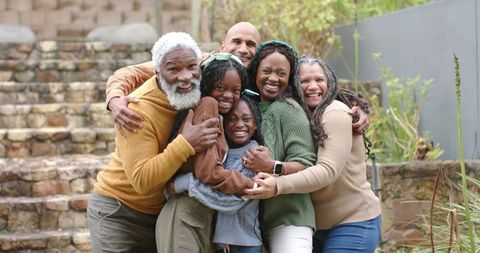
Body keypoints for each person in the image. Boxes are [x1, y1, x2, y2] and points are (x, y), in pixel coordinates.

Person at [87, 32, 221, 253]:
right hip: (119, 213)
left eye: (191, 67)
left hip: (161, 213)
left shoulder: (200, 67)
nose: (185, 76)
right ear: (157, 72)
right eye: (174, 70)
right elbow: (142, 180)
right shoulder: (138, 109)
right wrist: (186, 143)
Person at [244, 56, 382, 253]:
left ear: (330, 82)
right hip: (318, 227)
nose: (312, 86)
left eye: (319, 80)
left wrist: (277, 184)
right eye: (304, 81)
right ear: (293, 85)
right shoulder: (298, 114)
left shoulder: (335, 113)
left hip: (353, 223)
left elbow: (327, 171)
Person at [154, 53, 259, 253]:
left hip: (201, 214)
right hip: (184, 216)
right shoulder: (208, 104)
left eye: (235, 90)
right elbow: (209, 172)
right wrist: (251, 185)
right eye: (221, 88)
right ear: (207, 83)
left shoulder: (220, 116)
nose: (229, 95)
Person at [105, 21, 261, 137]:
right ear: (222, 46)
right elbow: (130, 73)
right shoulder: (197, 64)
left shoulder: (260, 77)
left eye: (250, 44)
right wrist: (114, 100)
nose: (243, 49)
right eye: (236, 41)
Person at [242, 40, 318, 253]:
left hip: (289, 218)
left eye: (281, 73)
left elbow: (307, 163)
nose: (273, 78)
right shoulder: (246, 107)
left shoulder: (288, 109)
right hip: (251, 222)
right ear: (256, 71)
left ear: (290, 77)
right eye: (267, 71)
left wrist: (272, 165)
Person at [168, 95, 264, 253]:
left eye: (246, 119)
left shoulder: (254, 155)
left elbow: (231, 201)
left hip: (247, 242)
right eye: (232, 119)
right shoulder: (221, 153)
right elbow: (215, 188)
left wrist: (186, 183)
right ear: (222, 124)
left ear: (255, 125)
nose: (239, 124)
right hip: (221, 243)